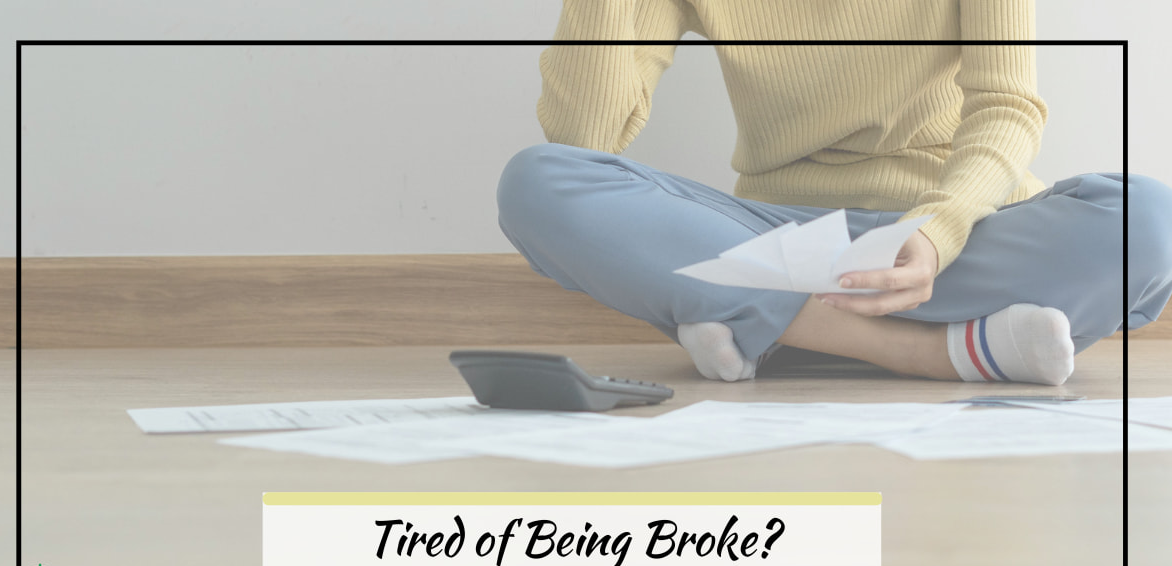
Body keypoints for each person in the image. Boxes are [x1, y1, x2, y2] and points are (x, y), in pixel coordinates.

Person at [496, 0, 1172, 384]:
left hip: (951, 235)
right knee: (536, 183)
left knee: (1148, 220)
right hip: (776, 240)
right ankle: (939, 350)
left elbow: (1007, 107)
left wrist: (940, 229)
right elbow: (582, 136)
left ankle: (770, 327)